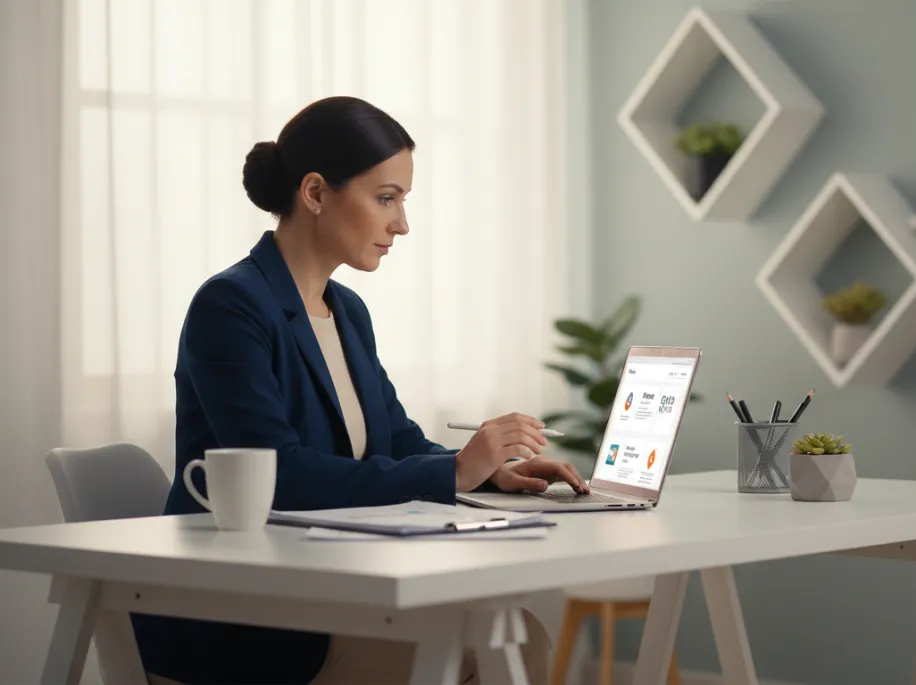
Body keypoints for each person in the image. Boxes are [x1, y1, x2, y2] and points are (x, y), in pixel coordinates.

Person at [130, 95, 589, 685]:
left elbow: (394, 440)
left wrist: (482, 468)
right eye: (386, 199)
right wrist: (452, 474)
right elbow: (278, 476)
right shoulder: (232, 306)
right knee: (497, 642)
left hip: (325, 593)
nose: (402, 224)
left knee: (515, 632)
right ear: (316, 193)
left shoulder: (347, 312)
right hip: (243, 621)